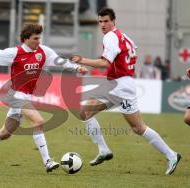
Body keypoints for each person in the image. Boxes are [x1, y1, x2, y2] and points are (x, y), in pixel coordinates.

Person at [0, 23, 87, 172]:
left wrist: (77, 67)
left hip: (25, 96)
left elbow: (59, 61)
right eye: (35, 38)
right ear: (26, 39)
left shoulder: (43, 51)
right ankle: (47, 161)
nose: (38, 41)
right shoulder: (14, 53)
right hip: (15, 95)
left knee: (5, 133)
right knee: (38, 121)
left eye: (39, 38)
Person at [71, 7, 181, 175]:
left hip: (121, 86)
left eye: (106, 21)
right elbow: (131, 52)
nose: (103, 25)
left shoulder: (110, 37)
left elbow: (106, 63)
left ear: (114, 21)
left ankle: (171, 155)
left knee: (138, 127)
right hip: (116, 83)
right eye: (100, 21)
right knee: (85, 112)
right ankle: (103, 150)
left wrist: (82, 60)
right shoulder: (124, 36)